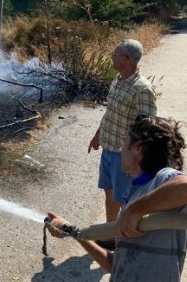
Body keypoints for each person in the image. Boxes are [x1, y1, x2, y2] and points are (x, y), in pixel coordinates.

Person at [48, 115, 187, 281]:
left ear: (138, 148)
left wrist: (134, 211)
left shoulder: (160, 180)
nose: (121, 149)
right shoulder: (135, 192)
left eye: (124, 142)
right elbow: (117, 265)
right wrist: (71, 231)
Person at [88, 39, 157, 222]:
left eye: (115, 53)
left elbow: (147, 127)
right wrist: (97, 136)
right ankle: (110, 235)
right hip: (108, 149)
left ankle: (124, 239)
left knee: (125, 199)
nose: (112, 56)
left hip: (124, 155)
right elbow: (110, 113)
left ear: (126, 59)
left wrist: (134, 157)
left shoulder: (141, 89)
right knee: (110, 195)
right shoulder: (118, 81)